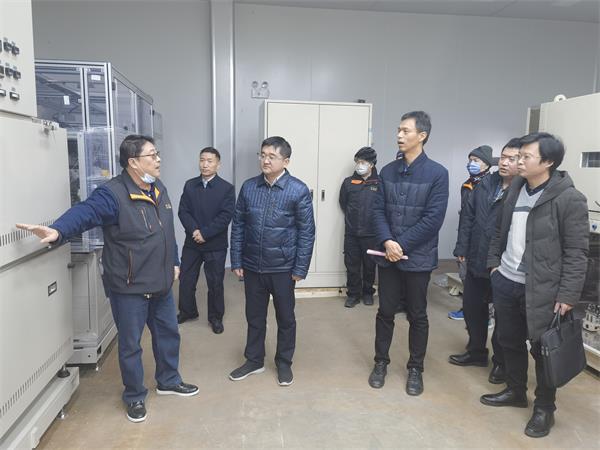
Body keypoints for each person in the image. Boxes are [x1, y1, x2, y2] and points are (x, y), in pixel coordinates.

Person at [17, 135, 198, 423]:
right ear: (133, 162)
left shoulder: (157, 187)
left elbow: (167, 231)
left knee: (168, 335)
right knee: (130, 345)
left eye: (157, 154)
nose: (158, 159)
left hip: (161, 282)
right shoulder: (112, 194)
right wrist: (59, 230)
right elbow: (85, 212)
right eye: (152, 155)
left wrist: (174, 261)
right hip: (129, 287)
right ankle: (135, 396)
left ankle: (169, 380)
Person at [481, 132, 589, 438]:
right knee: (508, 340)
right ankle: (515, 390)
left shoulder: (569, 199)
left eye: (526, 157)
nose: (519, 162)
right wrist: (494, 265)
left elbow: (577, 252)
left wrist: (568, 294)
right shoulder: (516, 188)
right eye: (518, 156)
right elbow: (499, 230)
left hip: (543, 289)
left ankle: (544, 408)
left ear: (548, 162)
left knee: (543, 350)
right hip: (506, 279)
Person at [368, 111, 449, 396]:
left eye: (405, 131)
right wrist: (387, 241)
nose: (399, 135)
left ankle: (416, 368)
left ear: (422, 136)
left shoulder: (437, 173)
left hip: (418, 258)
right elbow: (378, 210)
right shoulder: (388, 171)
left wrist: (400, 245)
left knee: (417, 314)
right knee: (385, 312)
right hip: (387, 256)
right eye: (398, 130)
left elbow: (433, 219)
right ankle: (380, 363)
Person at [228, 136, 315, 386]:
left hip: (283, 268)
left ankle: (284, 363)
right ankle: (254, 360)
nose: (265, 160)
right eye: (263, 155)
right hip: (253, 266)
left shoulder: (297, 189)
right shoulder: (249, 187)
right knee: (254, 317)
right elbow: (238, 225)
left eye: (272, 156)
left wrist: (300, 268)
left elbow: (307, 232)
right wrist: (237, 260)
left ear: (285, 161)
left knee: (285, 318)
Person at [449, 139, 521, 383]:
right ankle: (476, 351)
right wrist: (461, 246)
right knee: (472, 308)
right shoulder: (486, 183)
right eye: (503, 157)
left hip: (502, 265)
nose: (504, 162)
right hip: (476, 256)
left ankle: (501, 362)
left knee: (503, 316)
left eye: (512, 159)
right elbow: (467, 216)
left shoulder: (522, 190)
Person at [177, 147, 235, 334]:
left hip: (215, 245)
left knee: (215, 283)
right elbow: (183, 211)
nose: (205, 164)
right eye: (202, 160)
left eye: (210, 161)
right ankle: (187, 311)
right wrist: (194, 230)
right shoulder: (190, 185)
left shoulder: (226, 188)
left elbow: (225, 217)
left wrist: (205, 233)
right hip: (192, 243)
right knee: (186, 279)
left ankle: (215, 317)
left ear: (218, 164)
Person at [448, 145, 495, 320]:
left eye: (476, 161)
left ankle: (487, 314)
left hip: (483, 240)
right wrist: (462, 245)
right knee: (465, 275)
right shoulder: (467, 184)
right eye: (470, 160)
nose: (471, 164)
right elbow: (466, 216)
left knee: (483, 279)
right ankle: (468, 308)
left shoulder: (492, 186)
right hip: (466, 236)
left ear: (487, 164)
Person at [339, 146, 380, 308]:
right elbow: (343, 203)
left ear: (371, 164)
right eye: (357, 162)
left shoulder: (379, 183)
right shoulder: (348, 183)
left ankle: (368, 293)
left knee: (370, 266)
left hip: (371, 234)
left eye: (363, 162)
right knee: (352, 266)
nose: (359, 165)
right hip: (352, 233)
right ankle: (353, 295)